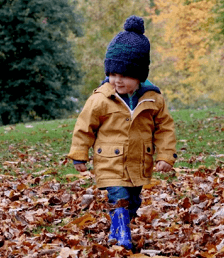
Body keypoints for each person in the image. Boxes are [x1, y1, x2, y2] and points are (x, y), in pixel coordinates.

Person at [68, 15, 177, 249]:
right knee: (119, 197)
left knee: (134, 201)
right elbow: (84, 125)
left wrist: (166, 156)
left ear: (139, 75)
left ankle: (117, 230)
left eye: (124, 75)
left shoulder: (153, 99)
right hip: (109, 160)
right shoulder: (101, 98)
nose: (117, 80)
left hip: (139, 162)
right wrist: (79, 153)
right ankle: (123, 236)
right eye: (113, 74)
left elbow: (165, 128)